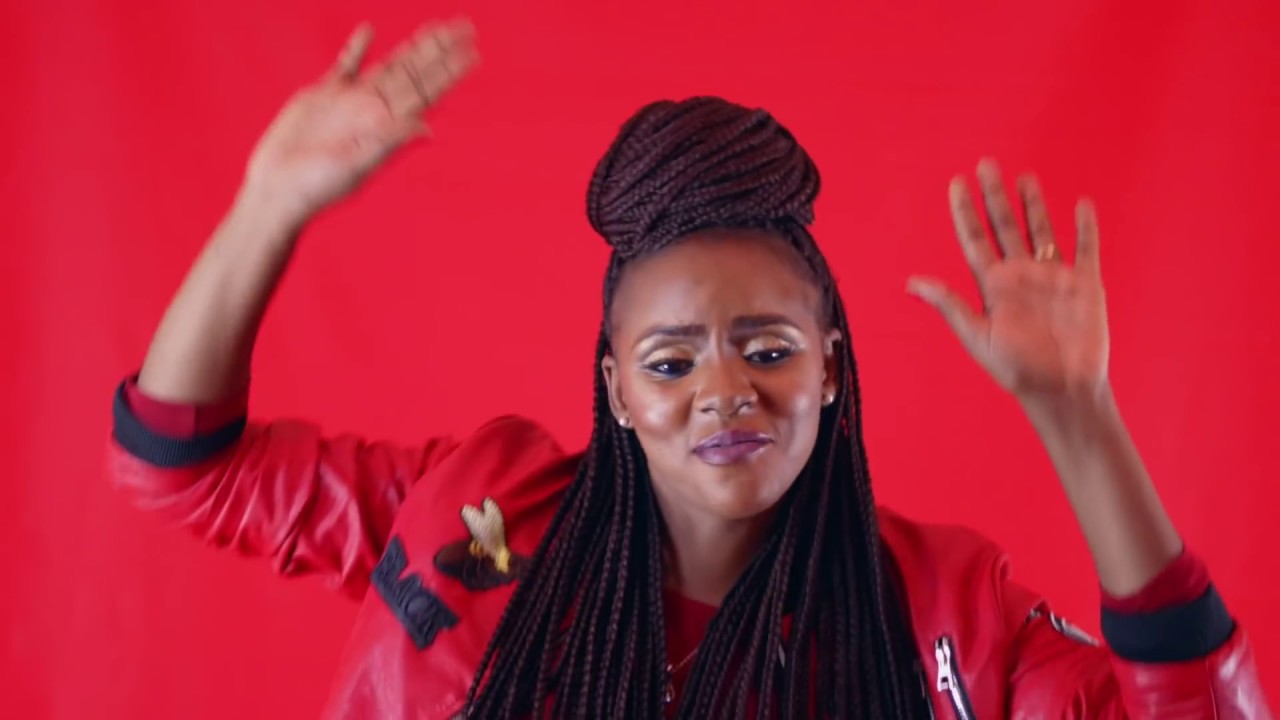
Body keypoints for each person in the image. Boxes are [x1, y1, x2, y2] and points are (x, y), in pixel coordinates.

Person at [104, 19, 1269, 720]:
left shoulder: (944, 616)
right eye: (670, 360)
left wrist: (1077, 418)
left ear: (829, 368)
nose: (723, 391)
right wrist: (268, 207)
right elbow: (181, 468)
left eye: (766, 350)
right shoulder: (468, 508)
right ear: (615, 387)